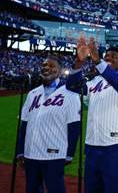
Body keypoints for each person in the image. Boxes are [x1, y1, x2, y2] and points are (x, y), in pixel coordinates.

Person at [66, 35, 118, 193]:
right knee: (92, 188)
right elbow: (72, 86)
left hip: (117, 144)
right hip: (93, 143)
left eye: (114, 56)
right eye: (106, 56)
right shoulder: (94, 81)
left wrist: (99, 62)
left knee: (114, 188)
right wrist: (79, 62)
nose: (108, 58)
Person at [16, 56, 81, 193]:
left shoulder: (70, 94)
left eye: (51, 66)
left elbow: (74, 127)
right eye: (45, 65)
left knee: (55, 189)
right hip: (31, 153)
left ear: (59, 71)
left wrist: (69, 154)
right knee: (32, 189)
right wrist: (20, 150)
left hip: (54, 153)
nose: (46, 68)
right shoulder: (33, 93)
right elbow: (24, 124)